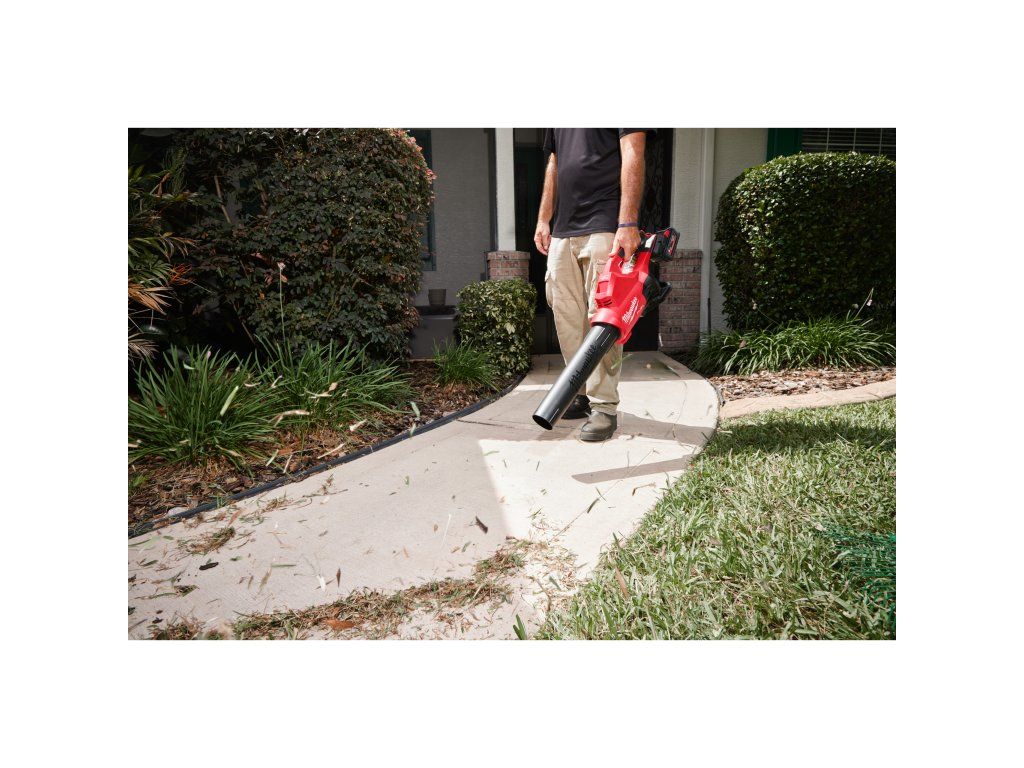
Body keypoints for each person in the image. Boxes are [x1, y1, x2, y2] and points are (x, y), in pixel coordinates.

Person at [534, 128, 651, 442]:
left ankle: (604, 407)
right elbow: (555, 162)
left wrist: (627, 223)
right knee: (567, 319)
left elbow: (633, 151)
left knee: (603, 319)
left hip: (604, 223)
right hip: (563, 230)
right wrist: (544, 218)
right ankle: (580, 392)